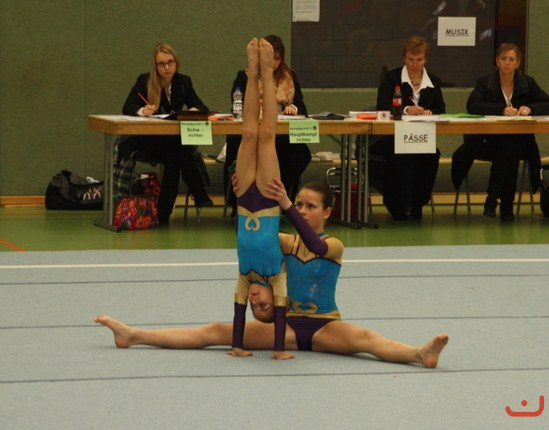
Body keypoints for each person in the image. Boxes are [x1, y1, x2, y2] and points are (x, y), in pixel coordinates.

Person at [95, 180, 449, 368]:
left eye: (311, 207)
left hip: (326, 326)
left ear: (328, 212)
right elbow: (254, 231)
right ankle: (134, 335)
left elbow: (314, 244)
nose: (303, 211)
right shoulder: (285, 242)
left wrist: (286, 206)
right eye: (300, 205)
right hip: (288, 326)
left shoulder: (335, 245)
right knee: (215, 331)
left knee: (368, 339)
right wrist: (242, 196)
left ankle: (419, 354)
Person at [451, 43, 549, 222]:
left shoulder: (528, 83)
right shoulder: (485, 82)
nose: (507, 63)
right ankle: (506, 206)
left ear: (518, 63)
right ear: (497, 61)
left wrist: (530, 109)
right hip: (489, 143)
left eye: (511, 59)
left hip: (522, 145)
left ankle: (493, 198)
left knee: (509, 146)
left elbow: (546, 103)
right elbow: (473, 105)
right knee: (508, 149)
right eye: (503, 59)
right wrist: (501, 109)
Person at [120, 43, 213, 225]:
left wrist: (194, 110)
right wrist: (142, 111)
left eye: (170, 62)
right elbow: (128, 106)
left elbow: (201, 106)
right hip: (148, 141)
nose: (167, 67)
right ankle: (198, 192)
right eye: (161, 63)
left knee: (174, 156)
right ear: (155, 66)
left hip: (171, 144)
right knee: (180, 149)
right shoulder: (145, 81)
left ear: (176, 62)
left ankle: (164, 213)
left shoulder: (183, 82)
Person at [224, 34, 311, 217]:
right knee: (259, 135)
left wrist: (294, 108)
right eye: (271, 59)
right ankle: (259, 73)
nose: (275, 62)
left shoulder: (290, 77)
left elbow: (302, 107)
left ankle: (259, 73)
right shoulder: (240, 76)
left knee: (259, 135)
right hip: (266, 204)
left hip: (252, 199)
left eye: (276, 59)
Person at [373, 36, 446, 220]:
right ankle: (395, 205)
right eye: (410, 59)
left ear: (426, 59)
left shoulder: (434, 81)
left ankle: (418, 203)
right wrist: (406, 109)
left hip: (421, 136)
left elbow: (440, 109)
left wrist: (429, 112)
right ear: (404, 58)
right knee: (400, 154)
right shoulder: (392, 78)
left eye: (419, 60)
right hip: (393, 135)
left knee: (431, 155)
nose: (414, 64)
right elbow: (382, 106)